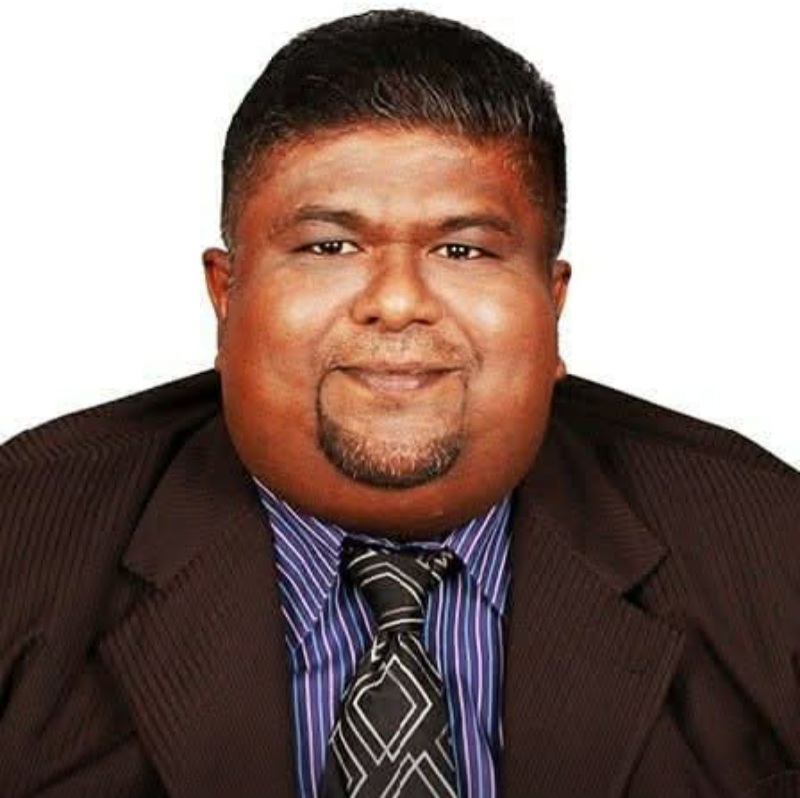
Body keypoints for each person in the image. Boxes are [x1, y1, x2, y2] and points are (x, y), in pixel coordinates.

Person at [0, 8, 797, 798]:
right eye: (329, 246)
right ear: (226, 293)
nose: (397, 301)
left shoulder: (770, 550)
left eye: (463, 250)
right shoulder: (22, 542)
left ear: (552, 304)